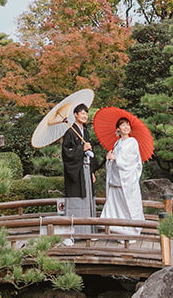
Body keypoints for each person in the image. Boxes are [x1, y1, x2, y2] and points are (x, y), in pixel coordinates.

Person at [60, 103, 100, 243]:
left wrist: (92, 172)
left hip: (86, 170)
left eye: (86, 113)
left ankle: (88, 231)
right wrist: (81, 149)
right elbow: (66, 154)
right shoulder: (70, 132)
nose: (84, 116)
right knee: (76, 200)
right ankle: (70, 235)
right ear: (75, 115)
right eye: (81, 113)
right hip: (75, 172)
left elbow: (90, 153)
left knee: (88, 198)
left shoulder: (86, 132)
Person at [101, 116, 144, 237]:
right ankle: (117, 231)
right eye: (123, 125)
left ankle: (131, 231)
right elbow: (114, 161)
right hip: (116, 181)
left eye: (128, 125)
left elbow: (132, 161)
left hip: (128, 181)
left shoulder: (133, 142)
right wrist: (109, 158)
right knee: (116, 208)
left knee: (128, 207)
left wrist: (117, 158)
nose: (126, 127)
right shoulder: (117, 143)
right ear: (118, 129)